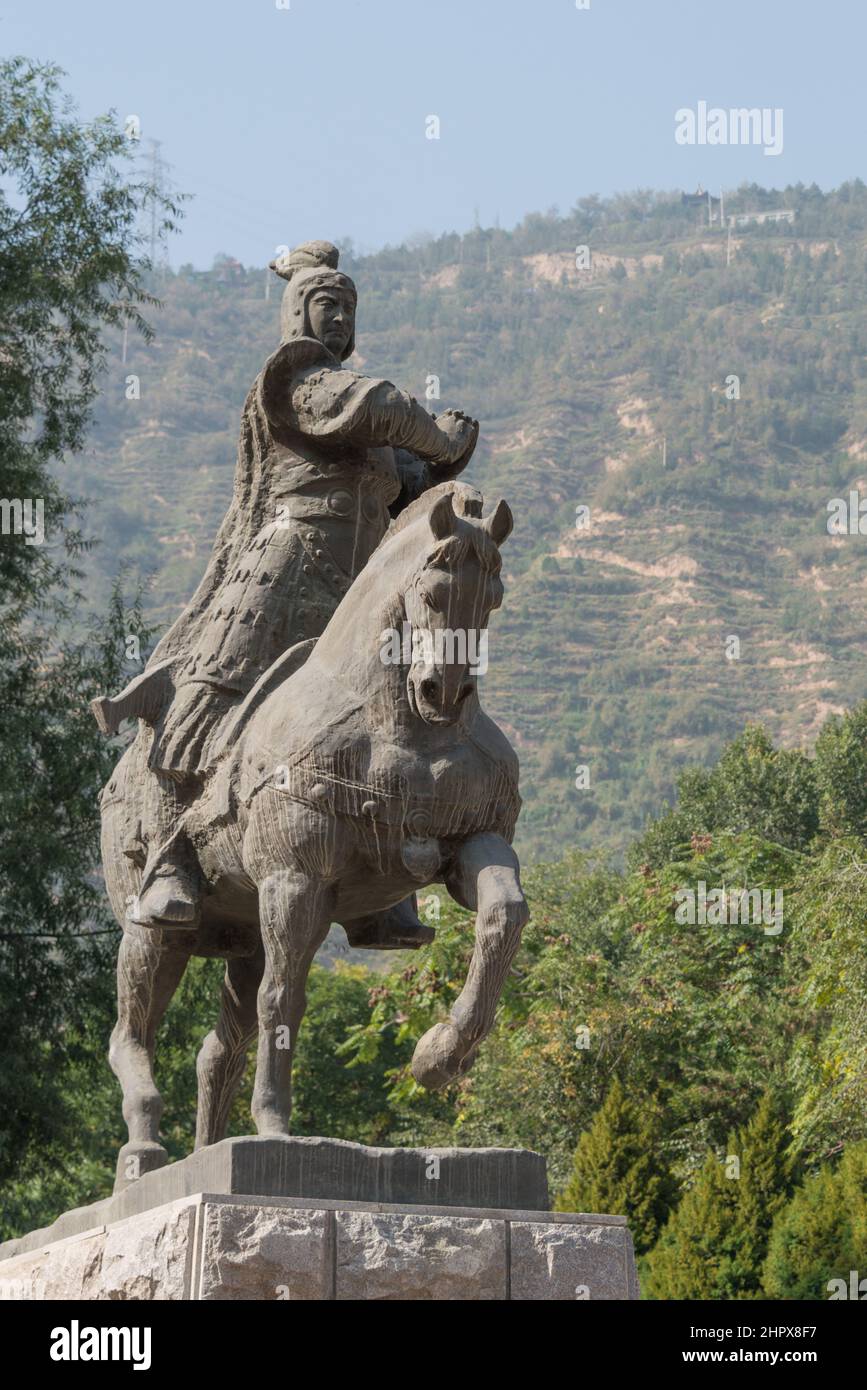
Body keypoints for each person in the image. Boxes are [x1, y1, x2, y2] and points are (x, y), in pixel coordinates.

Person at [93, 241, 478, 936]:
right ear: (299, 311)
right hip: (283, 564)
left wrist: (446, 462)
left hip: (356, 585)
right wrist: (438, 440)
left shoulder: (366, 433)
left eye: (348, 310)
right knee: (215, 692)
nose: (338, 321)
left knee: (396, 702)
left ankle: (385, 881)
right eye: (327, 306)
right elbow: (381, 406)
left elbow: (410, 483)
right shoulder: (299, 380)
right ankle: (172, 859)